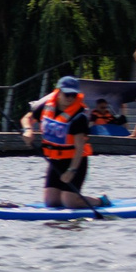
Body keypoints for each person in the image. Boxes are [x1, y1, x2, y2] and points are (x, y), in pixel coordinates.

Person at [23, 77, 102, 209]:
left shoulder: (79, 116)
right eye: (67, 94)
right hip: (56, 159)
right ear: (59, 92)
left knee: (69, 202)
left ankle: (99, 201)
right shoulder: (45, 105)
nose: (70, 98)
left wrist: (72, 170)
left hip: (76, 160)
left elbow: (79, 147)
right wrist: (28, 130)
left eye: (73, 95)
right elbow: (27, 118)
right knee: (51, 202)